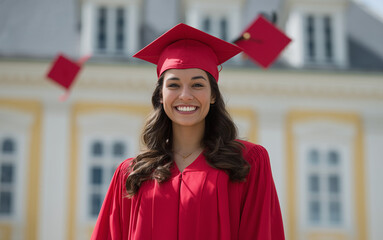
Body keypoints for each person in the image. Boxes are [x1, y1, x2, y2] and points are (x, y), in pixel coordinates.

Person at [91, 23, 285, 240]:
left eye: (197, 85)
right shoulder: (131, 175)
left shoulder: (248, 162)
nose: (185, 95)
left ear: (213, 96)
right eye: (173, 85)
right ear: (160, 96)